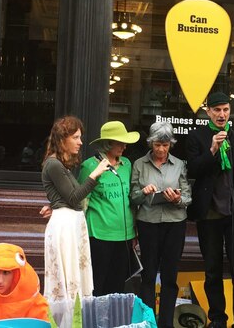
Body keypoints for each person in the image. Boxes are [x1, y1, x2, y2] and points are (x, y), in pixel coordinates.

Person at [187, 91, 234, 328]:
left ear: (230, 112)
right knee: (212, 271)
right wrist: (211, 150)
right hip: (209, 213)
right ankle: (218, 319)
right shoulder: (197, 136)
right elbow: (193, 171)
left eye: (226, 110)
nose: (222, 114)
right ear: (208, 112)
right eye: (217, 110)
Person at [42, 116, 112, 302]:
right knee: (67, 282)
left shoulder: (61, 166)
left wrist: (53, 204)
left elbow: (69, 197)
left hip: (70, 225)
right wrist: (95, 173)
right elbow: (74, 198)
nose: (80, 142)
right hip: (65, 227)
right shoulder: (54, 164)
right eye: (76, 137)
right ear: (62, 139)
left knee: (74, 281)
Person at [130, 121, 191, 328]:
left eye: (165, 145)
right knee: (148, 274)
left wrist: (177, 199)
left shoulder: (179, 164)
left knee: (169, 274)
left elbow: (188, 196)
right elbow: (133, 198)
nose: (161, 149)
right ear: (151, 143)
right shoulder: (139, 164)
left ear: (170, 144)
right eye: (157, 145)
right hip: (148, 223)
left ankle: (166, 323)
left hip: (175, 223)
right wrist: (143, 192)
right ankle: (148, 321)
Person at [78, 120, 140, 296]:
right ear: (108, 143)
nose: (124, 146)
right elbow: (81, 201)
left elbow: (131, 198)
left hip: (125, 235)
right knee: (98, 283)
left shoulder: (127, 164)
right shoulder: (90, 165)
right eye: (120, 142)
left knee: (118, 284)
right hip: (99, 234)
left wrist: (135, 230)